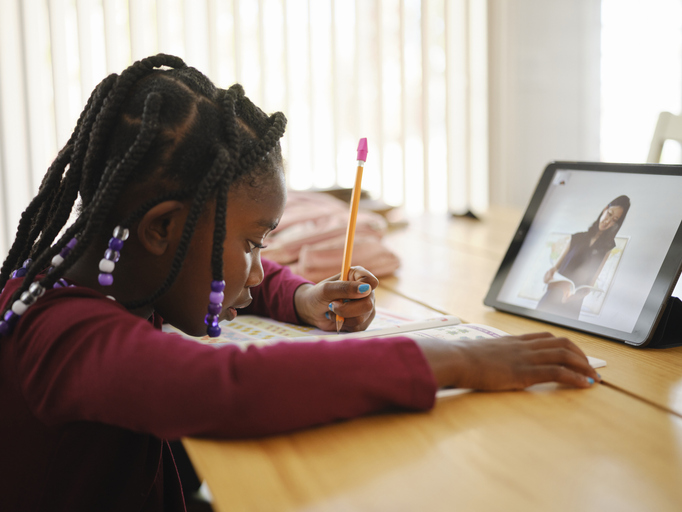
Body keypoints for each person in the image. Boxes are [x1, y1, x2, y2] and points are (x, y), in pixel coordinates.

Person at [0, 54, 599, 511]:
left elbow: (235, 279)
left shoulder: (110, 261)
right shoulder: (61, 333)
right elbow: (223, 388)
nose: (260, 268)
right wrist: (449, 361)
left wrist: (302, 296)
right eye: (252, 243)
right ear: (163, 229)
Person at [538, 195, 631, 318]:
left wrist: (576, 296)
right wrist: (548, 276)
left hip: (572, 304)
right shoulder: (576, 237)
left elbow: (590, 284)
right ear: (604, 210)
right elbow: (552, 272)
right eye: (609, 214)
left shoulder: (607, 247)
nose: (608, 221)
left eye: (614, 220)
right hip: (551, 298)